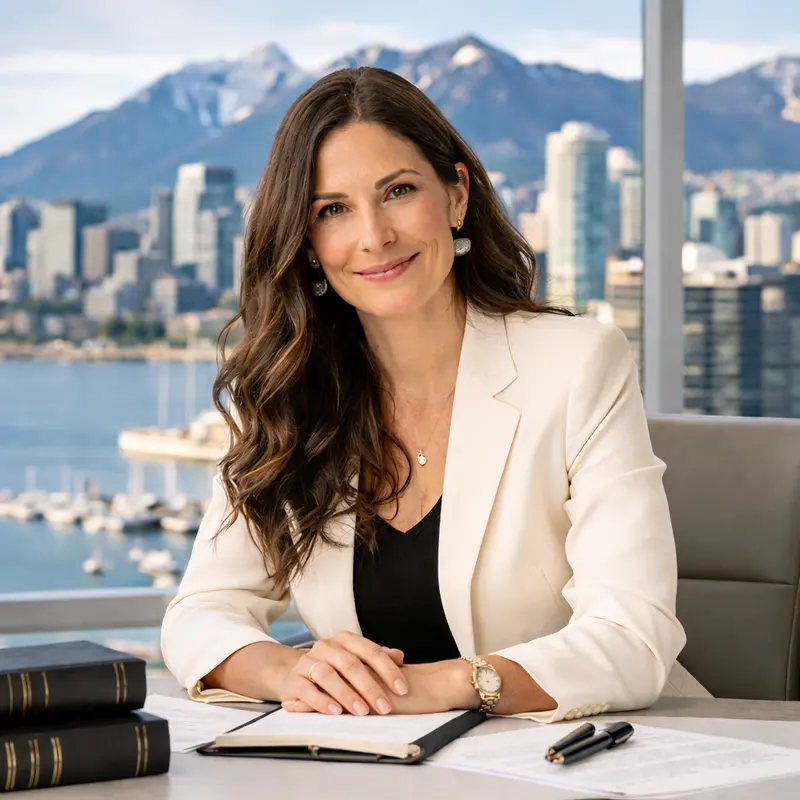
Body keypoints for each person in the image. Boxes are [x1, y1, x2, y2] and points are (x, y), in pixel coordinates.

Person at [160, 66, 709, 724]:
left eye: (397, 191)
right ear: (307, 245)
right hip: (381, 768)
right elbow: (199, 614)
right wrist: (292, 670)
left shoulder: (578, 363)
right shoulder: (287, 392)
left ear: (455, 196)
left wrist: (441, 685)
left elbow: (631, 637)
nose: (374, 235)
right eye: (332, 210)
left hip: (596, 751)